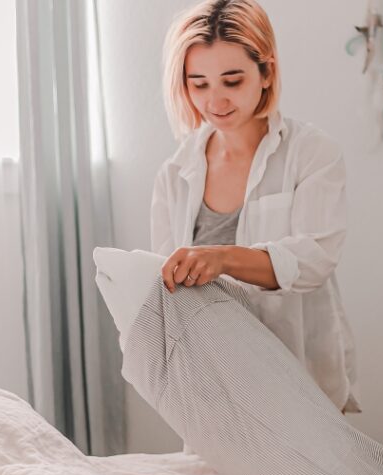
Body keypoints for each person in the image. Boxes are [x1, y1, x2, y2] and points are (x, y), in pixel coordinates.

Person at [151, 0, 361, 414]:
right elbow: (165, 282)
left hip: (298, 377)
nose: (215, 101)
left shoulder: (312, 153)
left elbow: (314, 259)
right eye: (199, 84)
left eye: (232, 81)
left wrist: (223, 259)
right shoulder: (174, 174)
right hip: (212, 382)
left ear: (266, 72)